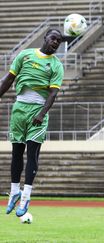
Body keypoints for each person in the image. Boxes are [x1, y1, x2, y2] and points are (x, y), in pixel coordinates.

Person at [0, 29, 64, 217]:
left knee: (33, 153)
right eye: (53, 38)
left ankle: (26, 196)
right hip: (19, 108)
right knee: (16, 152)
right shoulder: (25, 55)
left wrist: (42, 113)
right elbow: (8, 79)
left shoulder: (56, 65)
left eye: (59, 41)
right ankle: (14, 192)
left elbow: (53, 93)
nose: (55, 42)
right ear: (45, 37)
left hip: (38, 111)